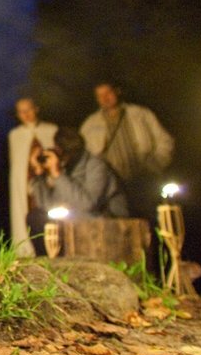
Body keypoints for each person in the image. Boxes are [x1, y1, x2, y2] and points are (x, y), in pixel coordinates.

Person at [79, 82, 173, 220]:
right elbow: (86, 158)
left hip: (144, 179)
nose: (105, 98)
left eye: (108, 93)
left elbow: (165, 141)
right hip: (113, 186)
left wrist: (156, 164)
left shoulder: (141, 114)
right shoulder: (90, 125)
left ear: (117, 91)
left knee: (153, 221)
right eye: (100, 96)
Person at [27, 127, 129, 252]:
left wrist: (58, 175)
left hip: (108, 219)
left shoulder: (96, 166)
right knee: (36, 217)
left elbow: (88, 204)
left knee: (61, 223)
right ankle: (47, 265)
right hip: (79, 217)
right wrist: (39, 175)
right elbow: (49, 206)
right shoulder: (66, 168)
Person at [7, 97, 57, 257]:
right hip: (25, 184)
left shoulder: (51, 130)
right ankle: (26, 249)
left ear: (36, 109)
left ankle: (52, 247)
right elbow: (17, 163)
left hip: (47, 182)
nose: (26, 114)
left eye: (28, 110)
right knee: (25, 214)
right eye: (21, 112)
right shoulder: (15, 135)